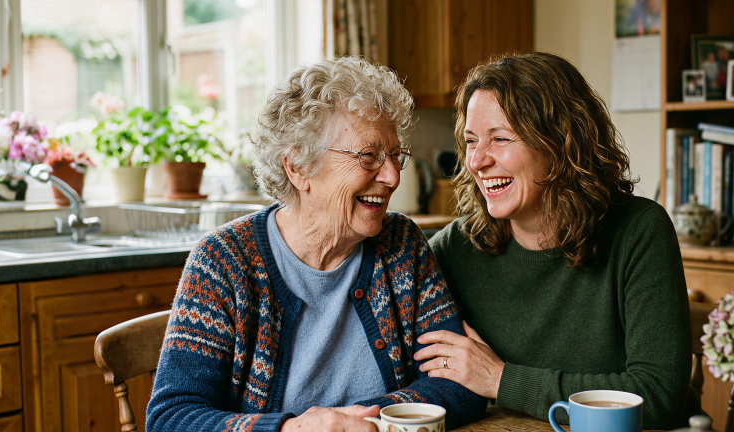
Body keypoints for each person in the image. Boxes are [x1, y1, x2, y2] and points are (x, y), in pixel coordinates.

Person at [146, 57, 487, 432]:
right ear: (298, 167)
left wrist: (359, 421)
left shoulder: (402, 244)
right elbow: (171, 419)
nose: (391, 177)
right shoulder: (224, 261)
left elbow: (460, 383)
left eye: (394, 156)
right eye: (369, 156)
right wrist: (290, 429)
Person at [413, 52, 700, 430]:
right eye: (470, 140)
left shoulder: (639, 231)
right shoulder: (455, 248)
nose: (476, 161)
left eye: (499, 138)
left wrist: (500, 379)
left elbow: (657, 395)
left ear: (561, 144)